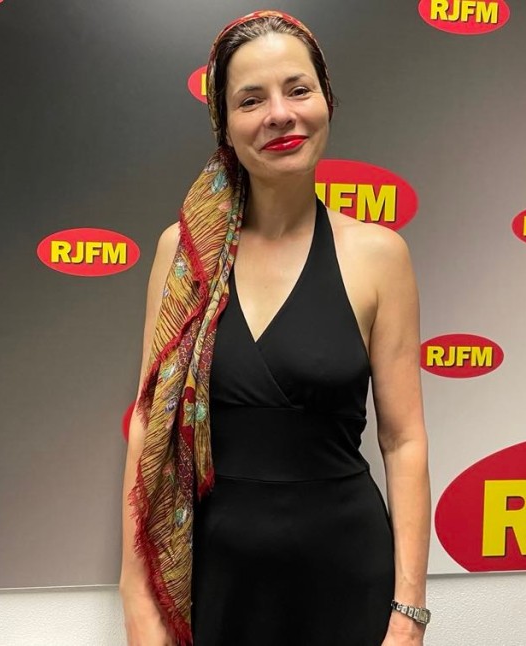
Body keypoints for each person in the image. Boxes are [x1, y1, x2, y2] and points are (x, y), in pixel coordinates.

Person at [120, 10, 431, 646]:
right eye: (251, 100)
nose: (280, 115)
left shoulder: (379, 256)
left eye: (298, 89)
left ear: (326, 101)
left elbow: (403, 442)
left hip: (348, 582)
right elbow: (149, 429)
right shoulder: (184, 255)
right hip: (215, 586)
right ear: (225, 124)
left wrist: (408, 612)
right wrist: (137, 596)